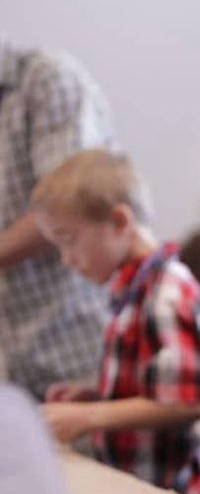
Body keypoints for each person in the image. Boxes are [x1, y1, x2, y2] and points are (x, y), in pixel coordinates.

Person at [32, 150, 200, 494]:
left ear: (119, 221)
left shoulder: (167, 293)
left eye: (68, 240)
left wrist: (87, 418)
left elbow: (189, 401)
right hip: (141, 485)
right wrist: (97, 396)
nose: (66, 259)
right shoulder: (133, 289)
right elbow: (158, 383)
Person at [0, 37, 115, 399]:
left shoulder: (47, 79)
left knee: (84, 454)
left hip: (72, 351)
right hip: (9, 367)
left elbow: (67, 208)